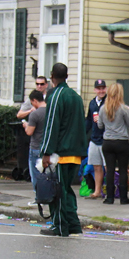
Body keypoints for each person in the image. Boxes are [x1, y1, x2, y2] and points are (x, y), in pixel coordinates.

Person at [40, 63, 87, 236]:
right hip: (75, 152)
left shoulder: (56, 95)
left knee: (57, 191)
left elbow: (51, 126)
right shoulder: (75, 96)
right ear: (66, 76)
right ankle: (73, 224)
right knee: (67, 190)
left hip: (60, 153)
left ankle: (59, 225)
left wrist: (46, 152)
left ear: (52, 76)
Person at [97, 82, 129, 206]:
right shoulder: (124, 109)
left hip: (108, 141)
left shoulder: (103, 108)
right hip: (121, 141)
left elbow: (100, 125)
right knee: (123, 170)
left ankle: (109, 197)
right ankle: (123, 198)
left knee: (110, 170)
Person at [84, 79, 107, 199]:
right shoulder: (92, 103)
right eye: (99, 88)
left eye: (103, 88)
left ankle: (110, 189)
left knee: (108, 166)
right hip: (94, 138)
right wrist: (84, 133)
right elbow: (88, 120)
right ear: (95, 90)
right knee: (96, 166)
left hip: (105, 138)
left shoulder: (108, 102)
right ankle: (97, 191)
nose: (101, 90)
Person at [22, 90, 46, 190]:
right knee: (47, 174)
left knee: (36, 175)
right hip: (47, 147)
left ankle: (39, 197)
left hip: (36, 147)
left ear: (35, 101)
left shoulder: (35, 114)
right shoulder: (51, 111)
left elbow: (29, 132)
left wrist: (26, 125)